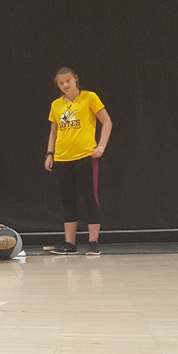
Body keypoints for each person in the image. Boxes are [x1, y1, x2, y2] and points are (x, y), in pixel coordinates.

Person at [45, 67, 112, 255]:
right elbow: (54, 131)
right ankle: (70, 243)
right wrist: (50, 154)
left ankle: (93, 242)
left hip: (84, 156)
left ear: (75, 80)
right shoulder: (56, 105)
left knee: (89, 197)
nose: (65, 85)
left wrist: (101, 147)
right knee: (67, 200)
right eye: (61, 83)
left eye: (68, 81)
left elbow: (106, 121)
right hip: (62, 157)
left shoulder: (89, 97)